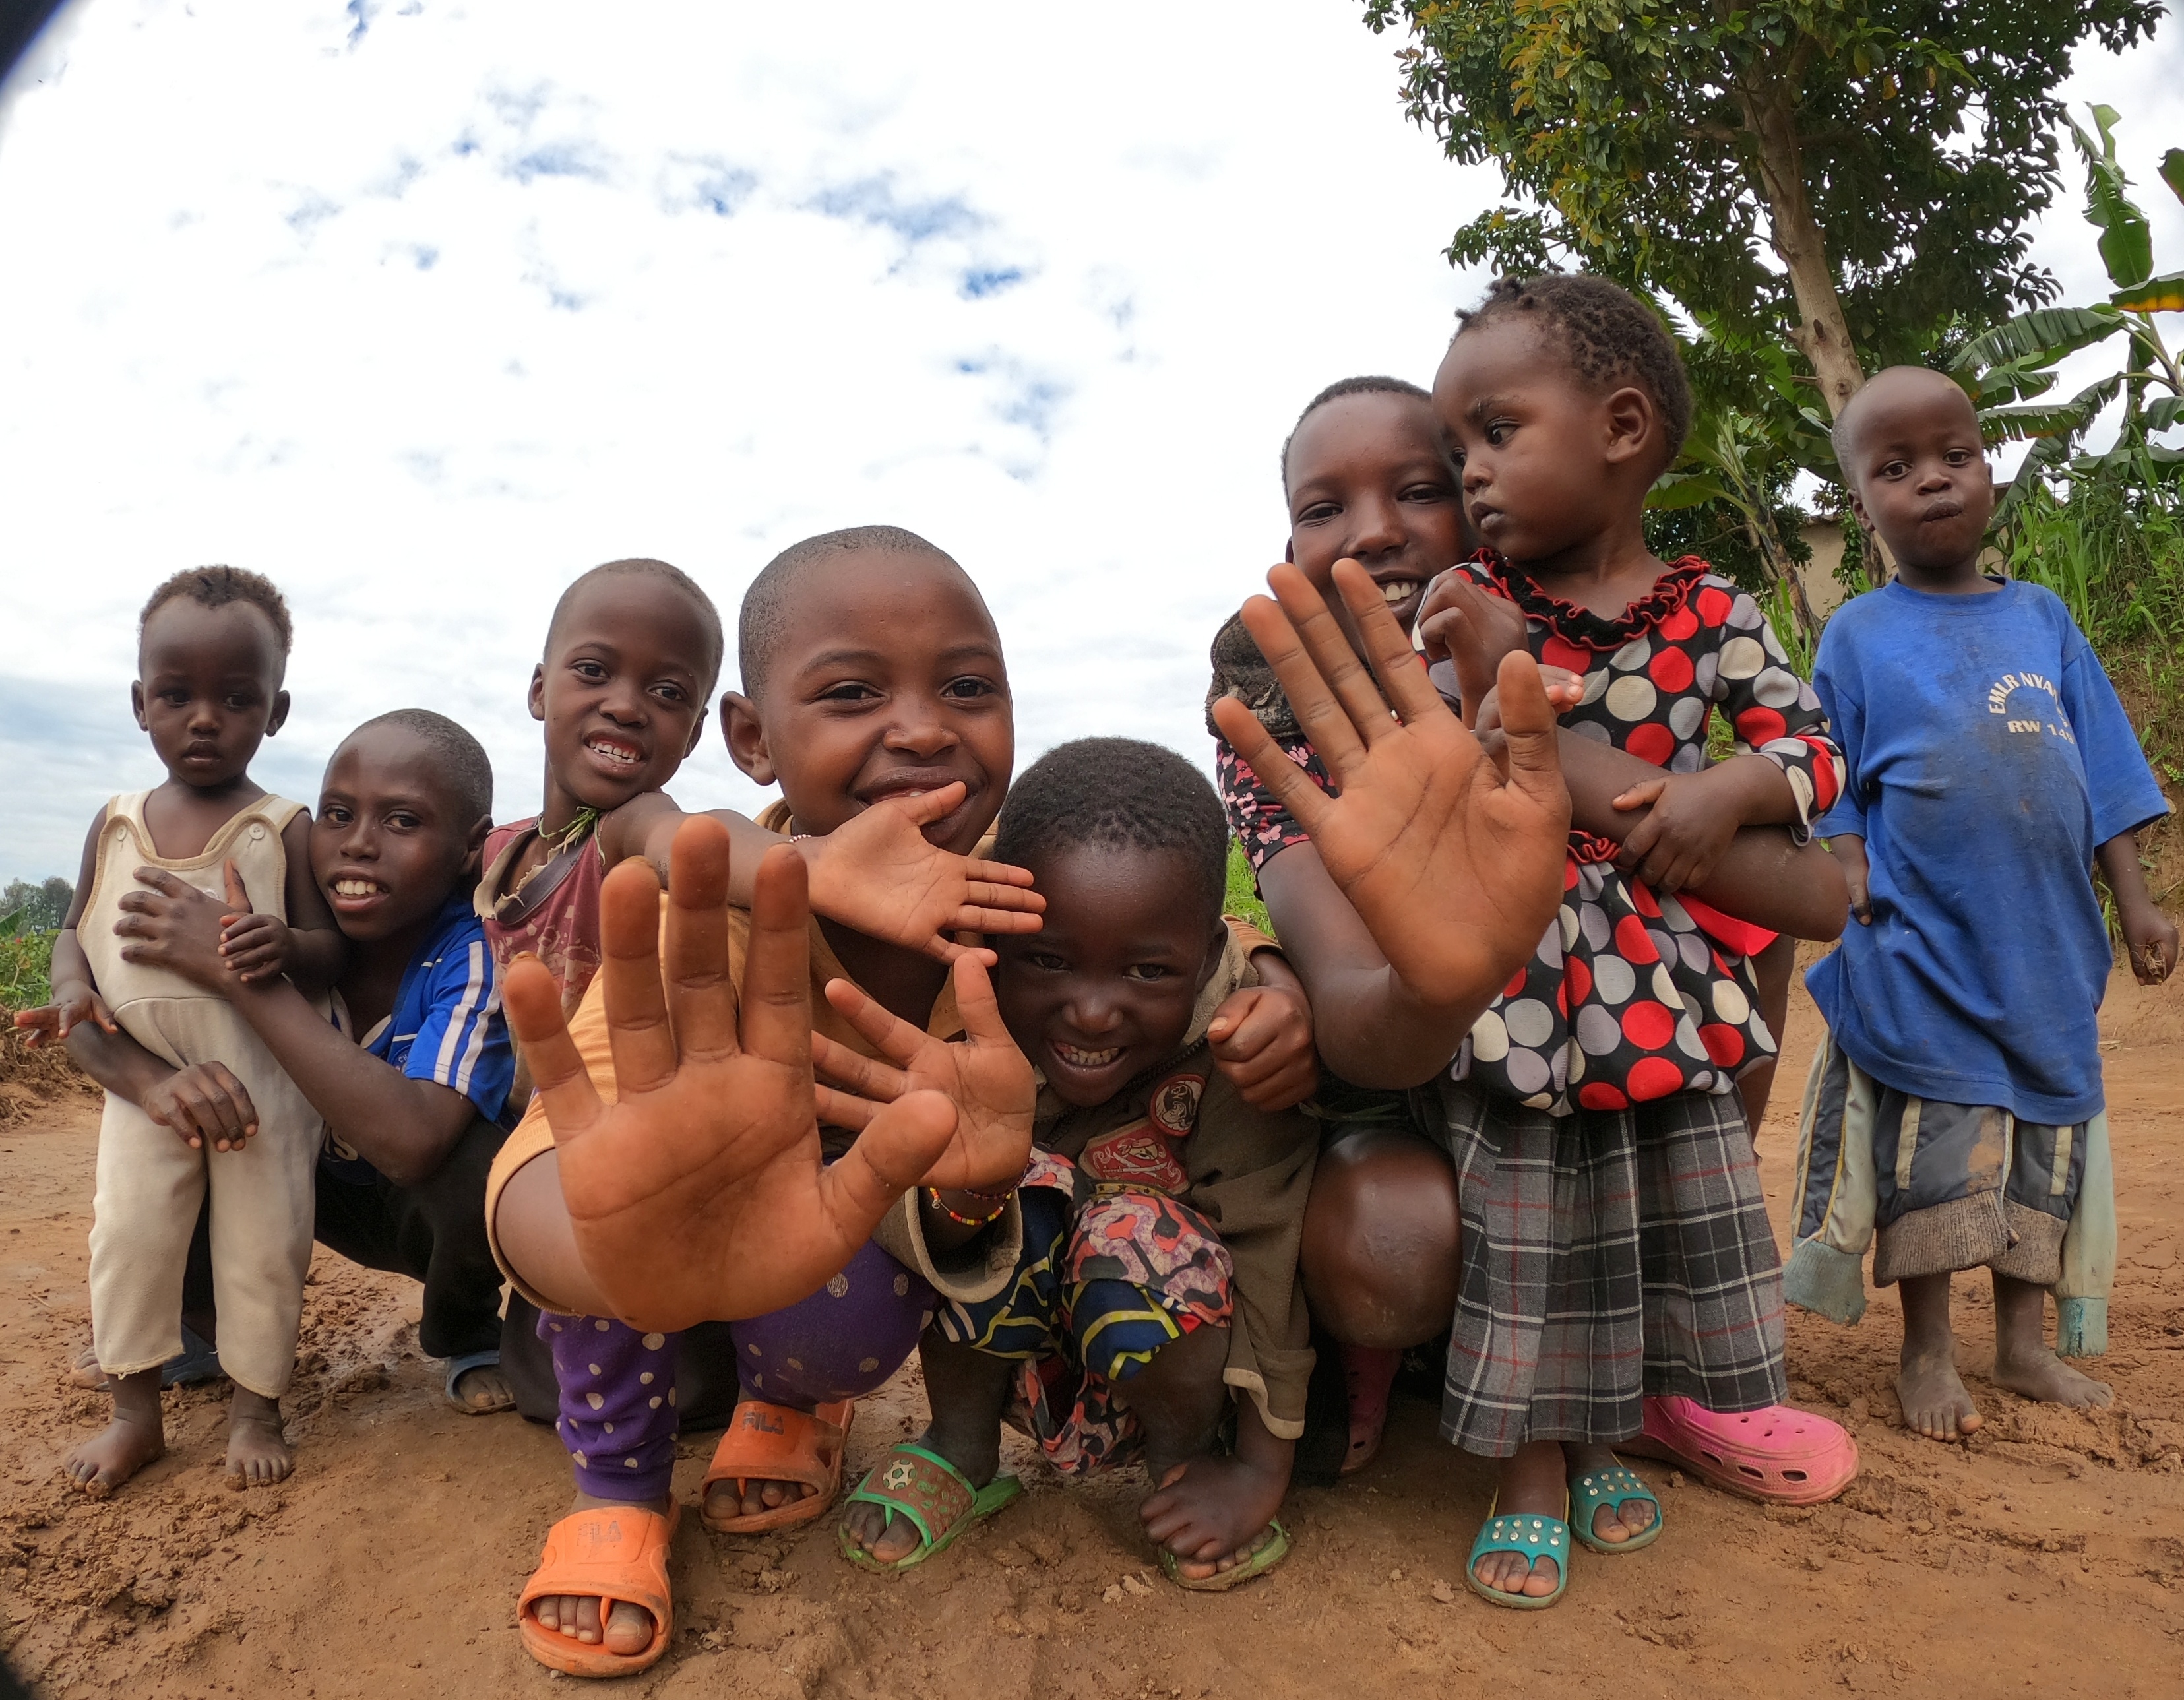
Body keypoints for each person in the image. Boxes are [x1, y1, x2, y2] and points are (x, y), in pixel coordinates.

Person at [1214, 285, 1855, 1611]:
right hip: (1477, 1024)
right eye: (1320, 506)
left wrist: (1717, 797)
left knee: (1629, 1191)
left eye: (1434, 474)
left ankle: (1630, 1403)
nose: (1381, 528)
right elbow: (1359, 971)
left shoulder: (1660, 615)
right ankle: (1490, 1438)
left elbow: (1810, 868)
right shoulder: (1311, 675)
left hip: (1633, 996)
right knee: (1513, 1203)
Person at [1786, 365, 2176, 1441]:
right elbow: (1830, 771)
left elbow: (2104, 771)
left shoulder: (2044, 619)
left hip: (2046, 946)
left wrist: (2135, 906)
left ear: (1988, 471)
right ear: (1861, 504)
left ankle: (2021, 1346)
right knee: (1937, 1147)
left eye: (1953, 455)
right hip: (1922, 945)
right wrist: (1849, 863)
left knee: (2042, 1144)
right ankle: (1926, 1350)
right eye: (1895, 467)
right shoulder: (1857, 634)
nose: (1932, 481)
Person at [832, 738, 1318, 1589]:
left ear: (1206, 961)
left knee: (1135, 1232)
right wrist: (966, 1195)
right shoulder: (961, 1035)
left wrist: (1258, 1468)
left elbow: (1272, 1255)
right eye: (1049, 961)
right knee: (994, 1186)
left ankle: (1183, 1467)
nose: (1092, 1012)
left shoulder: (1234, 1060)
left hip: (1170, 1365)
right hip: (1022, 1360)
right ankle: (961, 1446)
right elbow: (890, 1219)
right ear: (995, 940)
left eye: (1146, 970)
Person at [97, 710, 530, 1416]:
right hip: (292, 1178)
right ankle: (200, 1327)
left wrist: (243, 979)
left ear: (468, 847)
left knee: (483, 1169)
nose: (357, 845)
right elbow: (120, 1017)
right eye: (337, 813)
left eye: (402, 822)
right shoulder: (277, 923)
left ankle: (465, 1331)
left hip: (407, 1203)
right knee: (190, 1110)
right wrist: (155, 1081)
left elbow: (415, 1143)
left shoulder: (474, 956)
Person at [15, 566, 344, 1492]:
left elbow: (330, 955)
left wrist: (282, 941)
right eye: (177, 695)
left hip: (266, 1085)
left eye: (237, 698)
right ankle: (134, 1413)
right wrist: (74, 990)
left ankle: (256, 1408)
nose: (205, 717)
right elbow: (72, 937)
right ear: (139, 703)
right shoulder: (114, 824)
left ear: (275, 711)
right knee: (127, 1237)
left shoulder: (281, 828)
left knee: (264, 1240)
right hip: (144, 1084)